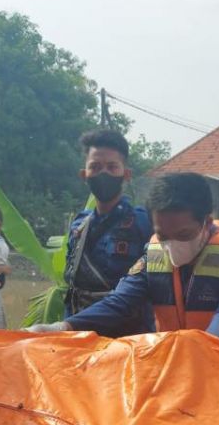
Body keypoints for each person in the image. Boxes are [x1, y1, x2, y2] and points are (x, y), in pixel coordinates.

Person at [30, 172, 219, 343]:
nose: (172, 244)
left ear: (207, 222)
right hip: (176, 362)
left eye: (183, 234)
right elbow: (120, 302)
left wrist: (197, 354)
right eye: (163, 235)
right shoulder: (153, 254)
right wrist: (64, 327)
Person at [62, 129, 154, 334]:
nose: (103, 173)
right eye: (95, 167)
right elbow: (73, 287)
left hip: (127, 336)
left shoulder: (143, 223)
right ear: (84, 175)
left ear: (126, 174)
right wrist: (65, 329)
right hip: (78, 332)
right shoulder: (79, 225)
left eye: (112, 167)